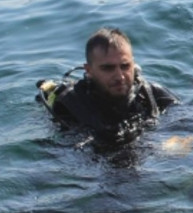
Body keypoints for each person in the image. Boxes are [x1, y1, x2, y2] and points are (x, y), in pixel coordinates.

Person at [36, 28, 179, 145]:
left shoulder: (151, 94)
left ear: (133, 64)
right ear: (89, 70)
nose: (120, 76)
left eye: (125, 66)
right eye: (108, 68)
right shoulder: (69, 105)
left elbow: (191, 126)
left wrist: (176, 142)